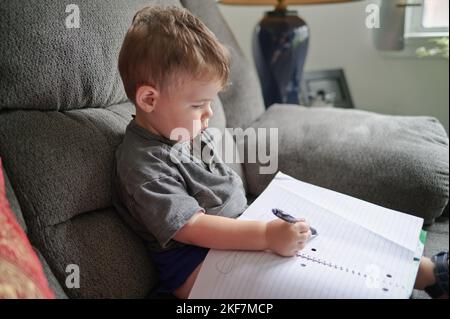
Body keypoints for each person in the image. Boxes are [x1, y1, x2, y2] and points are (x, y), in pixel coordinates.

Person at [112, 5, 449, 299]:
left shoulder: (184, 130)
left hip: (239, 233)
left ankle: (431, 273)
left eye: (210, 103)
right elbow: (192, 227)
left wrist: (267, 228)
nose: (210, 114)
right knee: (320, 271)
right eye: (199, 104)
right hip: (199, 270)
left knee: (326, 230)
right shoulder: (142, 162)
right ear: (149, 99)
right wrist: (265, 235)